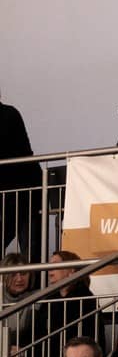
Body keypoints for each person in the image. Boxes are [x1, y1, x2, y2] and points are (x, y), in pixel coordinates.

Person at [43, 250, 105, 357]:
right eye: (49, 265)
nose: (49, 269)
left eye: (55, 264)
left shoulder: (85, 298)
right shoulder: (50, 298)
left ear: (71, 271)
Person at [0, 97, 42, 262]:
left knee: (31, 252)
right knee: (31, 251)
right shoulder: (10, 113)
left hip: (25, 192)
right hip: (15, 193)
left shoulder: (8, 114)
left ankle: (34, 279)